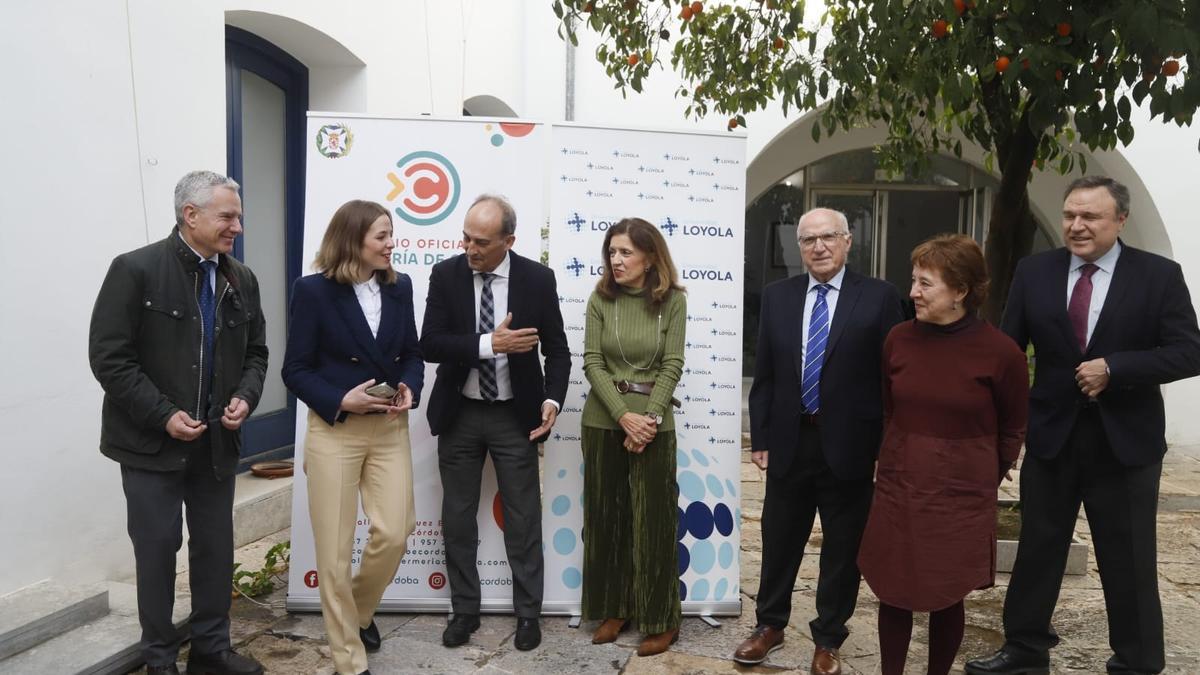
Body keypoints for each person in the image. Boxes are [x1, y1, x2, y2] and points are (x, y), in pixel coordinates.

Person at [966, 176, 1200, 675]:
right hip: (1052, 435)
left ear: (1120, 219)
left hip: (1126, 442)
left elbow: (1189, 351)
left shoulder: (1159, 276)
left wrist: (1117, 368)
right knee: (1037, 549)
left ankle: (1138, 659)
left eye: (1090, 217)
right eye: (1070, 215)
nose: (1075, 225)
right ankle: (1025, 650)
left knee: (1129, 557)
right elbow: (1007, 354)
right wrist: (998, 433)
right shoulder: (1035, 272)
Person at [88, 171, 267, 675]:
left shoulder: (242, 279)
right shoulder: (135, 269)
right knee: (157, 551)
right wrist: (163, 414)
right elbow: (110, 358)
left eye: (238, 215)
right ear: (191, 215)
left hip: (217, 443)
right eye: (227, 216)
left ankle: (211, 651)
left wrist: (245, 397)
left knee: (214, 548)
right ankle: (160, 659)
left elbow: (257, 353)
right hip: (148, 445)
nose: (238, 225)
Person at [735, 208, 904, 675]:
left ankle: (829, 636)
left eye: (828, 237)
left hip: (852, 446)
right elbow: (766, 373)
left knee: (844, 548)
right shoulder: (778, 297)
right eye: (808, 240)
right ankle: (769, 625)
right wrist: (761, 436)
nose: (819, 247)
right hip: (791, 441)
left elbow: (894, 381)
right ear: (799, 247)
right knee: (779, 538)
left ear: (848, 242)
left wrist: (885, 447)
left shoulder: (880, 298)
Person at [856, 234, 1029, 675]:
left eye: (925, 283)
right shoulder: (898, 339)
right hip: (901, 481)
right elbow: (890, 407)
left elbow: (1012, 426)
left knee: (946, 590)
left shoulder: (1002, 352)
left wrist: (989, 471)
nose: (912, 291)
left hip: (962, 491)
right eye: (913, 280)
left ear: (961, 291)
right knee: (893, 586)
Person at [419, 194, 571, 651]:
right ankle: (464, 610)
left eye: (481, 241)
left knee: (523, 518)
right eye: (465, 237)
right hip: (460, 412)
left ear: (509, 240)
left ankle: (529, 615)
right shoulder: (447, 274)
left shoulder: (536, 279)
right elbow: (430, 343)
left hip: (514, 415)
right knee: (458, 518)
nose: (469, 248)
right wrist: (490, 344)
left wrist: (552, 399)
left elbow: (558, 350)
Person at [281, 200, 424, 675]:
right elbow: (294, 370)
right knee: (335, 553)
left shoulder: (400, 287)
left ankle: (359, 611)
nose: (391, 243)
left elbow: (412, 354)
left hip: (388, 427)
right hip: (334, 432)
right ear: (353, 239)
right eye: (382, 235)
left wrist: (409, 385)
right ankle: (348, 658)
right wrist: (342, 399)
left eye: (391, 234)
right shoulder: (313, 291)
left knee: (395, 530)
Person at [579, 218, 687, 656]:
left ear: (649, 257)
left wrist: (650, 418)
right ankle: (614, 608)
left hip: (655, 426)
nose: (616, 260)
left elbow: (672, 364)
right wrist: (624, 416)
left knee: (654, 525)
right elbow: (592, 362)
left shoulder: (672, 302)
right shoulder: (599, 298)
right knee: (608, 521)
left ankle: (661, 619)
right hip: (604, 421)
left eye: (625, 252)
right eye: (611, 251)